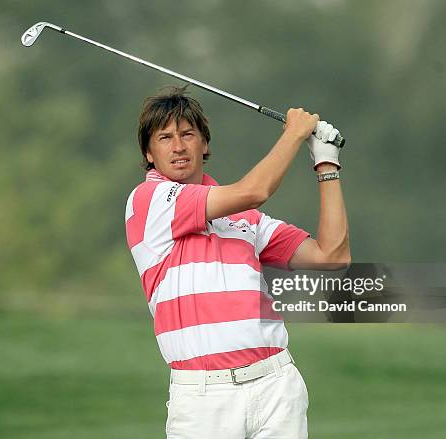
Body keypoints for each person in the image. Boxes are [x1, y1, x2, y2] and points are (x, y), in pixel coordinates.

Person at [125, 85, 350, 439]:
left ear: (205, 144)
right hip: (202, 398)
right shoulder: (149, 201)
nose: (178, 146)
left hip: (276, 385)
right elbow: (255, 190)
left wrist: (326, 164)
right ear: (149, 154)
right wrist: (294, 133)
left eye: (187, 134)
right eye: (165, 137)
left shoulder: (246, 219)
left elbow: (332, 256)